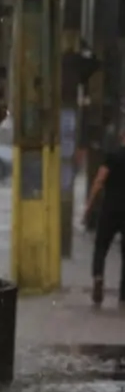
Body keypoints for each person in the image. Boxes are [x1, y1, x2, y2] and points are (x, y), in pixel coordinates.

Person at [83, 131, 125, 306]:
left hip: (109, 209)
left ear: (122, 136)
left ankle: (99, 277)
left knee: (101, 246)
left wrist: (89, 206)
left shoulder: (112, 156)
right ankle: (123, 295)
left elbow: (100, 181)